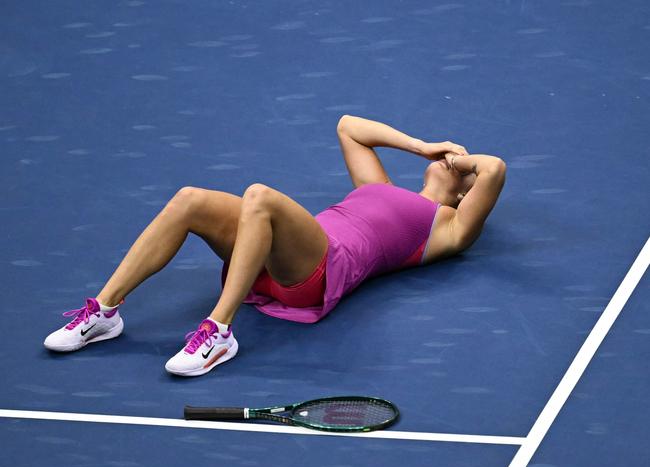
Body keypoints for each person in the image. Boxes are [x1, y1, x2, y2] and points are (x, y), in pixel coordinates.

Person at [44, 115, 506, 377]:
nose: (455, 163)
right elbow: (349, 127)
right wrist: (423, 145)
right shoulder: (382, 186)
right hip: (268, 257)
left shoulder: (446, 228)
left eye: (460, 170)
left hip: (321, 268)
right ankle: (104, 313)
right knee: (189, 199)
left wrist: (463, 160)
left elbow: (496, 168)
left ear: (464, 193)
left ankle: (219, 332)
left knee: (260, 197)